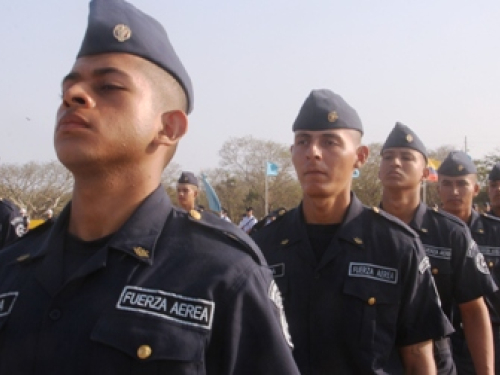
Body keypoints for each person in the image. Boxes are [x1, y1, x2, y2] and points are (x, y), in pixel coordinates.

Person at [0, 1, 300, 374]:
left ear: (169, 127)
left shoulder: (223, 275)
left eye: (108, 86)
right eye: (68, 86)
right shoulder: (11, 268)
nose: (73, 95)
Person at [252, 89, 453, 374]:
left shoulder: (397, 246)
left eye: (330, 142)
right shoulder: (262, 245)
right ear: (292, 153)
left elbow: (418, 354)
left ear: (360, 156)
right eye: (303, 141)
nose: (313, 152)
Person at [379, 123, 496, 375]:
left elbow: (474, 310)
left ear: (424, 173)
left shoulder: (450, 232)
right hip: (377, 362)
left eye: (406, 157)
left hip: (436, 360)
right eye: (388, 157)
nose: (395, 163)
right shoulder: (359, 231)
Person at [438, 151, 500, 375]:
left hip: (492, 341)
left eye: (462, 184)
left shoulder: (496, 232)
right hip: (441, 344)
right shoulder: (423, 235)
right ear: (438, 189)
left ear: (475, 189)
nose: (454, 192)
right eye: (448, 184)